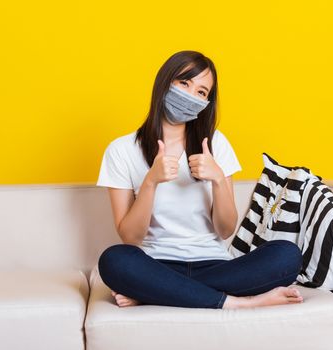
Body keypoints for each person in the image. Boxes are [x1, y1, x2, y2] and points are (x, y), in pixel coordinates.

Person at [96, 50, 304, 309]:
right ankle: (237, 303)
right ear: (165, 82)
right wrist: (150, 182)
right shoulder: (122, 149)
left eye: (201, 92)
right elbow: (130, 237)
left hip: (214, 265)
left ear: (207, 102)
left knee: (286, 254)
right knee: (114, 260)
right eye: (184, 83)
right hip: (155, 265)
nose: (190, 95)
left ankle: (160, 293)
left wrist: (218, 178)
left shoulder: (216, 143)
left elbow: (226, 229)